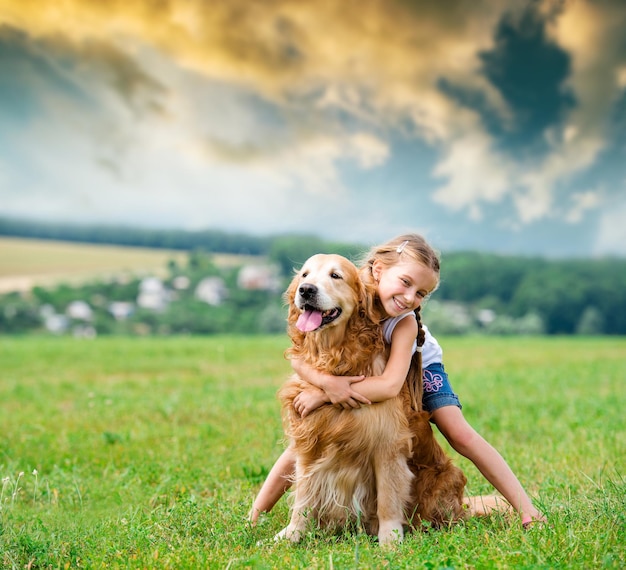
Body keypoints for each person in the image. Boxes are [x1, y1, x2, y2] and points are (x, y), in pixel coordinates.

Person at [249, 233, 545, 529]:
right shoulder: (344, 289)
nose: (410, 298)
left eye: (420, 294)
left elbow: (390, 385)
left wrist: (326, 393)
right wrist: (326, 385)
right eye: (406, 282)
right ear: (378, 270)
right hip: (361, 370)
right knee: (308, 437)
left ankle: (527, 510)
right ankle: (255, 514)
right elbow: (298, 354)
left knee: (458, 433)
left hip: (417, 367)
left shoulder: (404, 322)